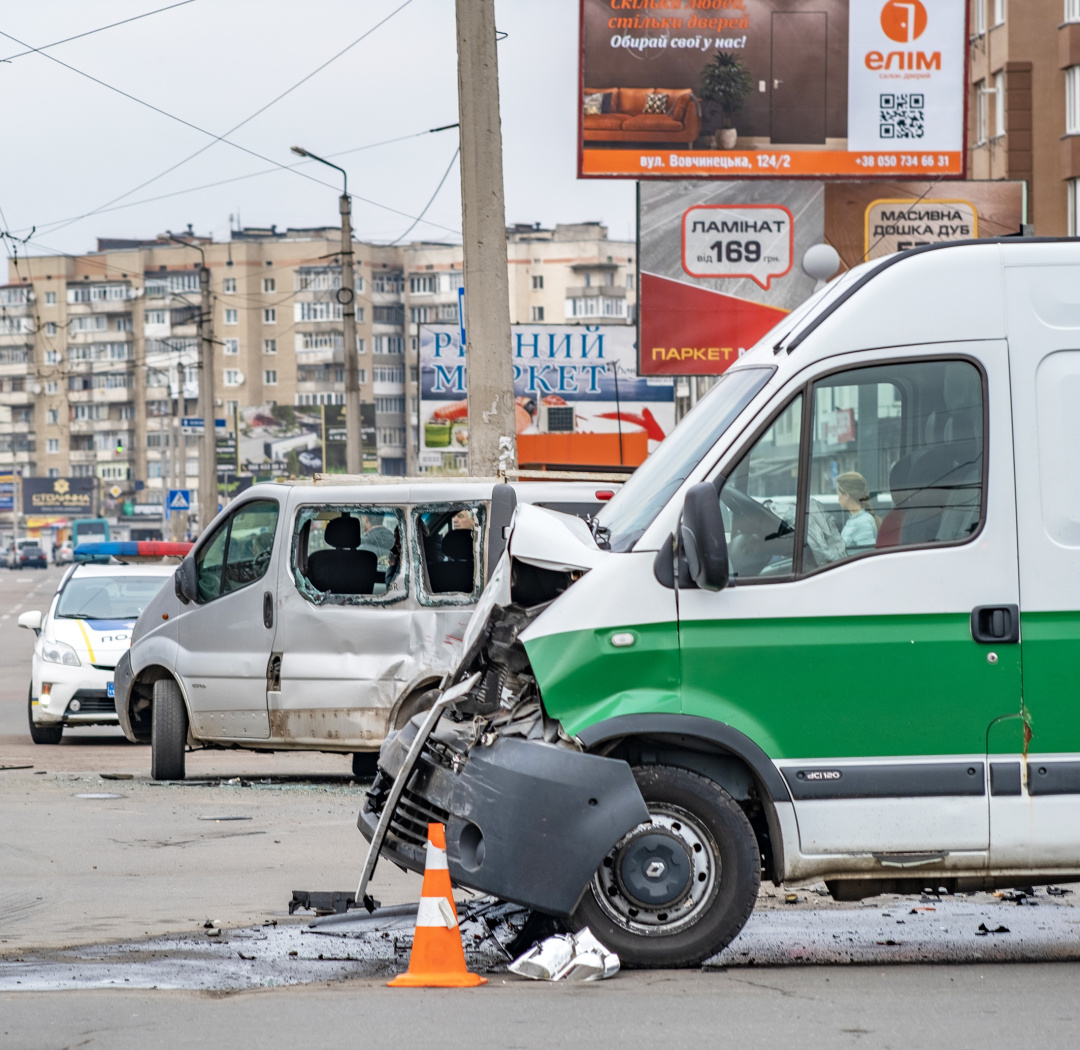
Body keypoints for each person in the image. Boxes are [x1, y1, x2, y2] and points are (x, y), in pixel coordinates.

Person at [836, 471, 880, 549]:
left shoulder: (863, 522)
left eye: (838, 494)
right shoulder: (855, 519)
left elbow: (867, 556)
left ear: (846, 495)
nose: (838, 499)